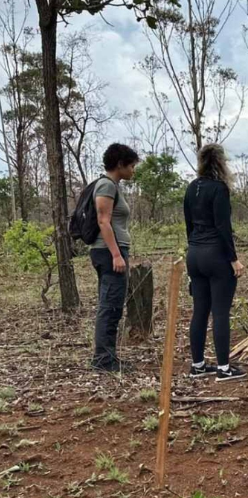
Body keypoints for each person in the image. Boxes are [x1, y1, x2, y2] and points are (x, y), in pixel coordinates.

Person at [184, 144, 246, 382]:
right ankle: (223, 368)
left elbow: (189, 225)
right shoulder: (219, 189)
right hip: (216, 256)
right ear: (221, 162)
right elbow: (223, 227)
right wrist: (234, 259)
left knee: (200, 311)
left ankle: (198, 365)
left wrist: (194, 247)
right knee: (220, 312)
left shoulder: (191, 188)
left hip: (195, 254)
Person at [90, 143, 139, 373]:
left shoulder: (112, 186)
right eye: (131, 166)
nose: (133, 170)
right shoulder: (106, 185)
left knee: (112, 304)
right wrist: (117, 254)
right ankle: (103, 360)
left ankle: (107, 357)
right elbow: (103, 221)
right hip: (109, 253)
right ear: (120, 164)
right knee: (110, 306)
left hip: (111, 251)